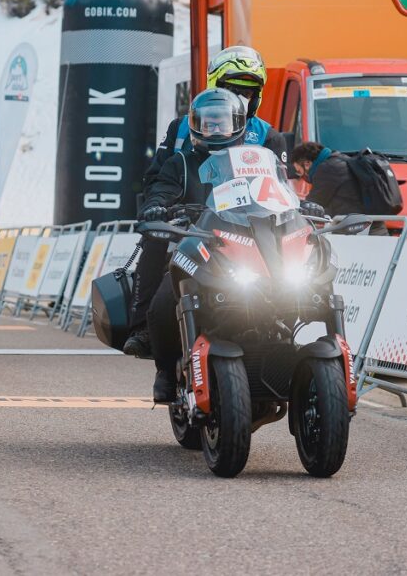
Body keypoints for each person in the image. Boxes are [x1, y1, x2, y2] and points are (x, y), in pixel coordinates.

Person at [123, 45, 288, 358]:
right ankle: (142, 327)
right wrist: (159, 206)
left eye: (248, 92)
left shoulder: (269, 136)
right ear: (214, 85)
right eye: (232, 90)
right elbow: (160, 176)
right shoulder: (180, 128)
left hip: (249, 221)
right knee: (155, 240)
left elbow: (281, 187)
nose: (241, 99)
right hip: (192, 219)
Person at [139, 88, 251, 402]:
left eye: (223, 123)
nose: (216, 129)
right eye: (209, 123)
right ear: (195, 125)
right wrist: (156, 205)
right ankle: (166, 371)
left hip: (243, 249)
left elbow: (277, 189)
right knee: (163, 303)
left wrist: (301, 206)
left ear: (237, 124)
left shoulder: (251, 161)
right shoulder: (181, 163)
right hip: (196, 248)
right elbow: (160, 190)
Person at [291, 142, 363, 217]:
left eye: (299, 172)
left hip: (350, 221)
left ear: (307, 164)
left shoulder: (327, 169)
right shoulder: (339, 159)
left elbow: (312, 205)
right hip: (362, 217)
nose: (301, 176)